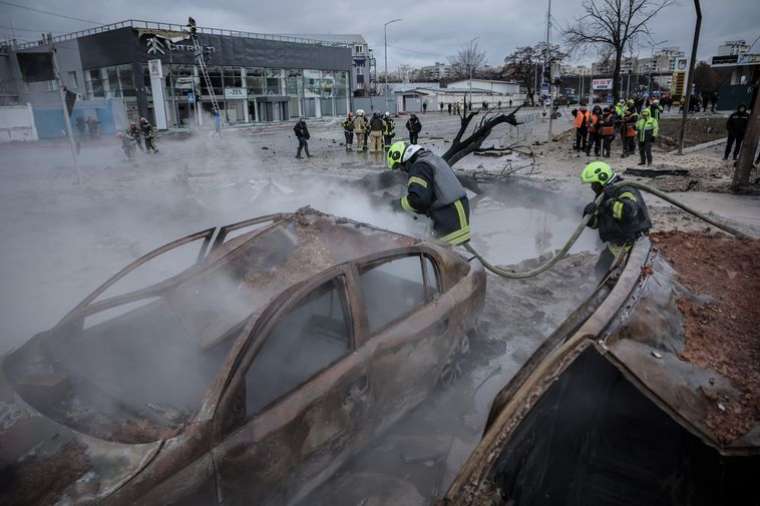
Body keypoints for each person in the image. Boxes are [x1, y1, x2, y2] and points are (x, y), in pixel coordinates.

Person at [387, 141, 470, 245]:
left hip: (449, 216)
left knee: (442, 255)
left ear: (405, 159)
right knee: (454, 253)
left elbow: (418, 201)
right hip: (458, 210)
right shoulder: (431, 159)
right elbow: (431, 196)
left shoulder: (419, 167)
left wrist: (397, 205)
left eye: (400, 166)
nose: (403, 170)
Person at [580, 161, 651, 279]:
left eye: (594, 183)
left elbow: (629, 212)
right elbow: (598, 223)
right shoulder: (603, 194)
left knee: (608, 271)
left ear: (601, 179)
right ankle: (604, 291)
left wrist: (610, 201)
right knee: (600, 269)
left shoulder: (625, 189)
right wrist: (589, 216)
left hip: (632, 240)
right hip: (618, 240)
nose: (592, 187)